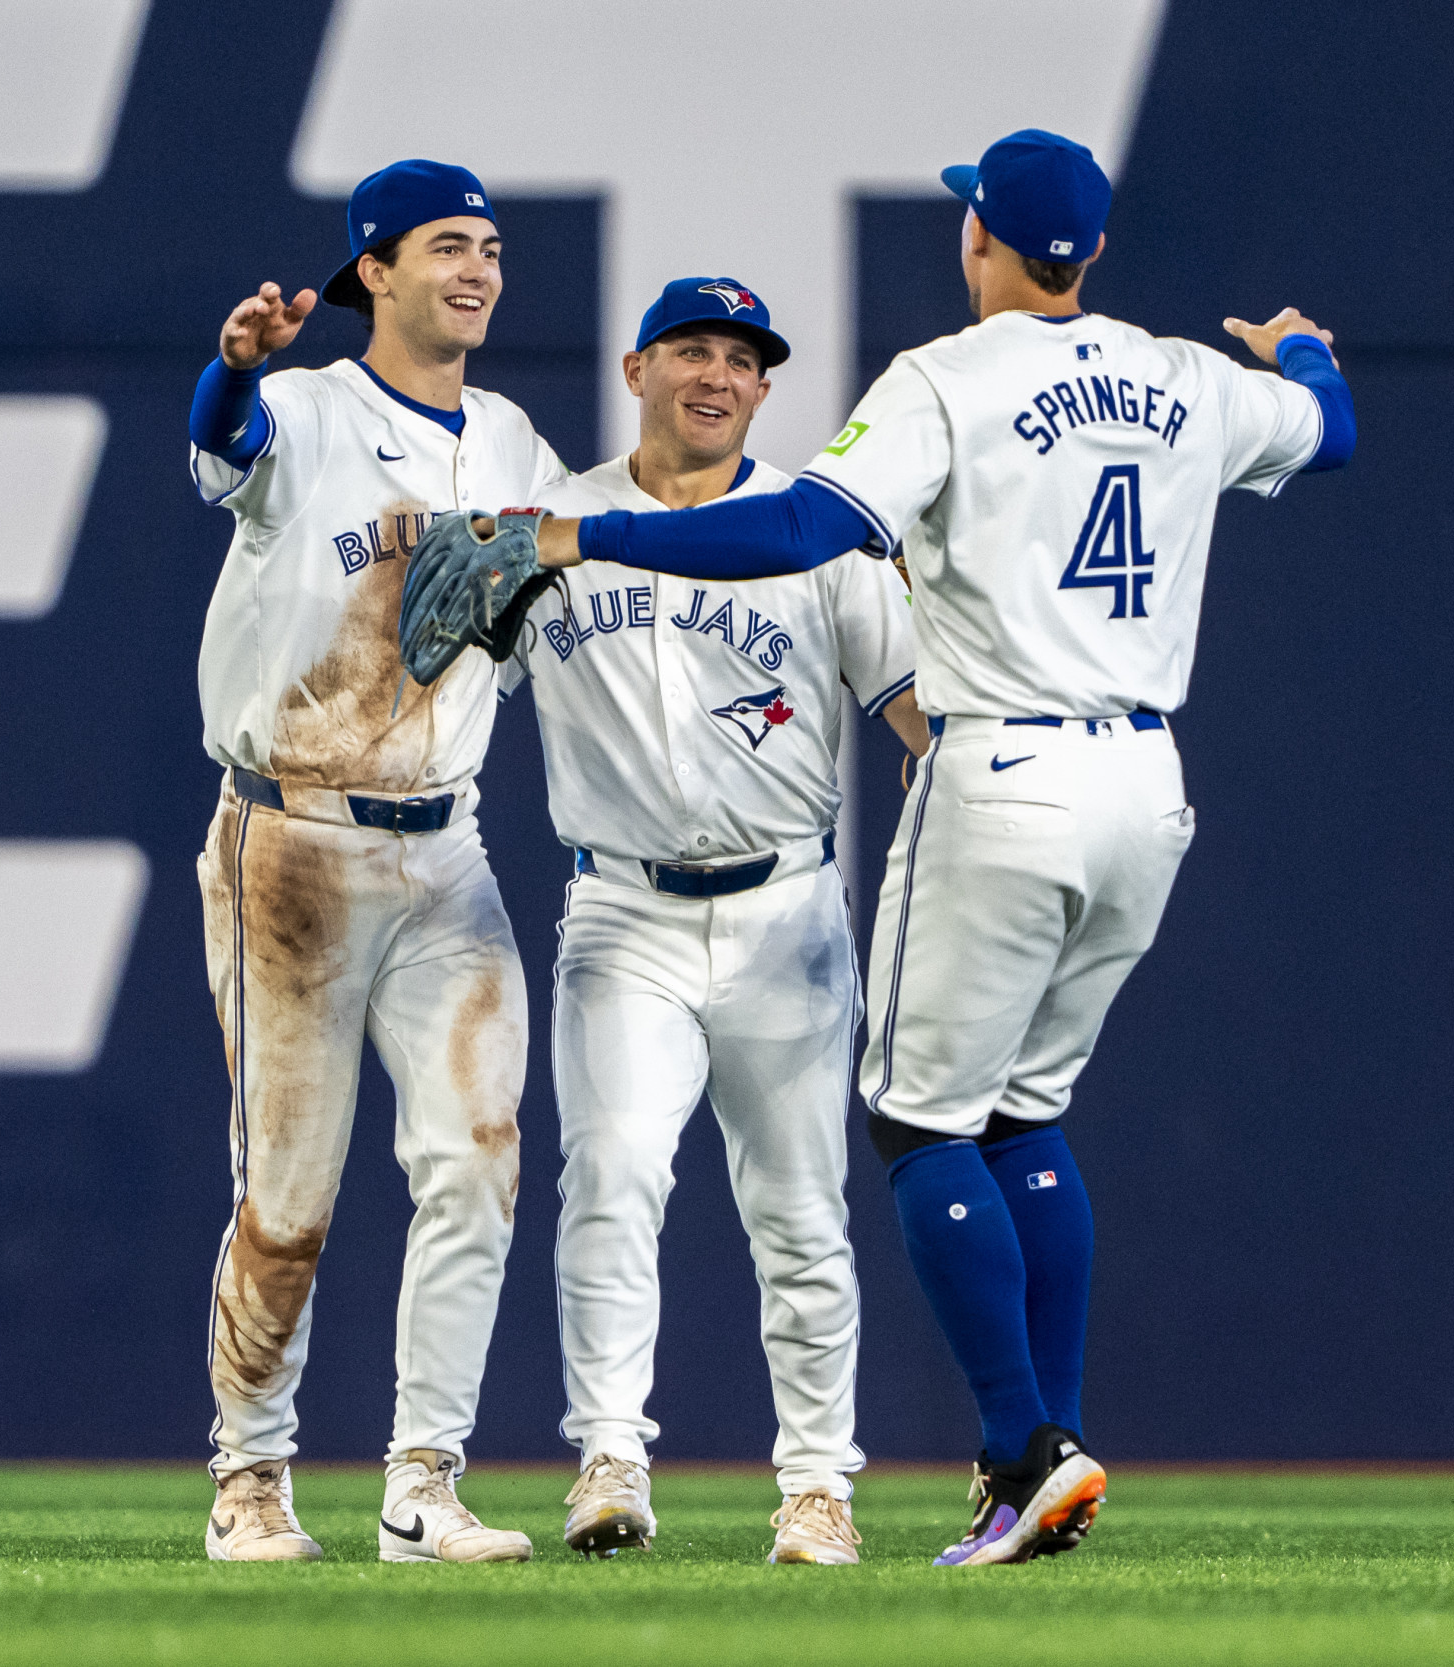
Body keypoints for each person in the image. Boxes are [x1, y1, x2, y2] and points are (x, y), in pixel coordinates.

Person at [419, 128, 1355, 1566]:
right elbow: (1328, 430)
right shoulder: (1185, 378)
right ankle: (1039, 1450)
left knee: (921, 1127)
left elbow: (802, 522)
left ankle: (1023, 1444)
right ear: (1089, 250)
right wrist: (1304, 357)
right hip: (1147, 776)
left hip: (1005, 767)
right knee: (1022, 1118)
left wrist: (574, 535)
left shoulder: (949, 378)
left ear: (982, 239)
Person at [498, 277, 927, 1564]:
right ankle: (609, 1458)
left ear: (763, 388)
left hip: (787, 906)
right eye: (692, 347)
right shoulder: (551, 521)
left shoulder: (822, 531)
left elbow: (918, 719)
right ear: (636, 366)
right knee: (614, 1176)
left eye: (744, 358)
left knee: (799, 1210)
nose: (717, 373)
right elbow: (446, 686)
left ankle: (816, 1486)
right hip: (621, 907)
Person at [184, 158, 570, 1564]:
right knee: (288, 1195)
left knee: (479, 1159)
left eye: (491, 246)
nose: (478, 268)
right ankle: (251, 1473)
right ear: (376, 271)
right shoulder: (304, 406)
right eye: (447, 245)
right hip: (291, 838)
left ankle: (423, 1482)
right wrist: (233, 366)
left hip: (445, 846)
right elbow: (223, 445)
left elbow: (528, 628)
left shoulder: (516, 439)